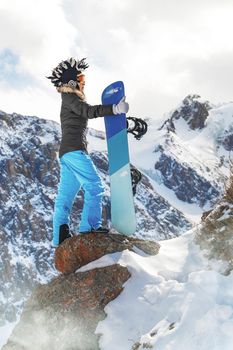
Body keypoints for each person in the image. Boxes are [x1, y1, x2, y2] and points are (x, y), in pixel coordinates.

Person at [47, 57, 129, 247]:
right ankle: (90, 226)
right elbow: (88, 111)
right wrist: (114, 109)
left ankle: (59, 238)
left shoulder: (67, 99)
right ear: (72, 81)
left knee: (65, 197)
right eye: (81, 77)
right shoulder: (70, 98)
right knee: (95, 186)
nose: (84, 81)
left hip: (67, 153)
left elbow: (85, 112)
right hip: (75, 151)